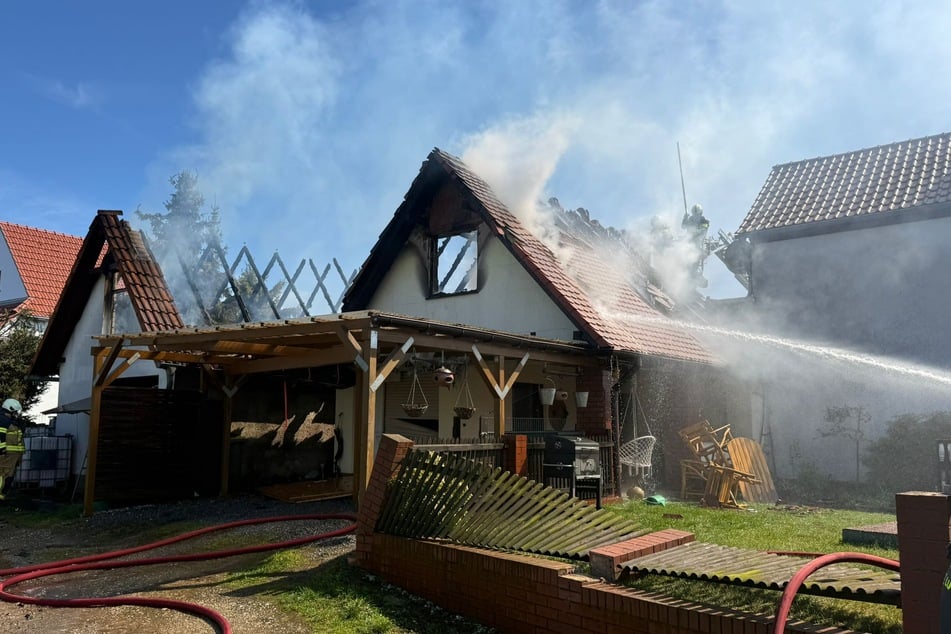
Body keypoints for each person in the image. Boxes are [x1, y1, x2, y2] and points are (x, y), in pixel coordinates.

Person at [0, 398, 26, 499]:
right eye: (16, 411)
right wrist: (1, 450)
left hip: (13, 455)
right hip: (6, 454)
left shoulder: (10, 421)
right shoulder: (3, 420)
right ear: (10, 409)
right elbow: (0, 435)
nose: (17, 414)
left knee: (8, 476)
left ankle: (3, 495)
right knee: (3, 475)